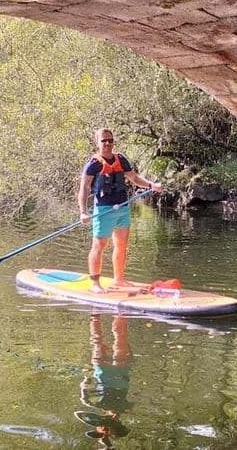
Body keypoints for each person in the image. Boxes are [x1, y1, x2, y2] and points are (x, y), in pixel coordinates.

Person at [78, 128, 163, 292]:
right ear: (97, 143)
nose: (108, 143)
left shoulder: (121, 159)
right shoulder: (93, 165)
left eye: (110, 140)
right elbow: (84, 189)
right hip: (103, 210)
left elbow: (134, 178)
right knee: (99, 245)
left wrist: (151, 185)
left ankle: (119, 280)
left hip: (122, 208)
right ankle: (95, 283)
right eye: (104, 141)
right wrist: (83, 211)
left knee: (122, 245)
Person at [75, 314, 132, 445]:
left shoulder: (101, 406)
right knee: (119, 338)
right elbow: (83, 404)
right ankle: (120, 314)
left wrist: (85, 384)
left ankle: (95, 315)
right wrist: (107, 430)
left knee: (98, 341)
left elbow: (80, 411)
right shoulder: (123, 408)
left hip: (104, 372)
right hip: (119, 372)